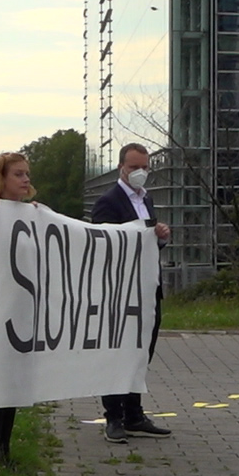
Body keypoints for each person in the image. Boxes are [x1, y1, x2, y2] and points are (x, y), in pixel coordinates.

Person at [90, 142, 171, 444]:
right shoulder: (108, 202)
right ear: (121, 167)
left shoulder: (146, 200)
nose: (140, 173)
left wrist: (159, 237)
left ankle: (135, 414)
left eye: (145, 168)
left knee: (141, 354)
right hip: (121, 292)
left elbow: (147, 244)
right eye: (134, 167)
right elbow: (103, 243)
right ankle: (114, 416)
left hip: (148, 290)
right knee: (117, 353)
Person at [0, 152, 37, 462]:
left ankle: (5, 448)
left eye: (27, 174)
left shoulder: (32, 215)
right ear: (0, 178)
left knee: (12, 383)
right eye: (18, 174)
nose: (26, 179)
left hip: (21, 310)